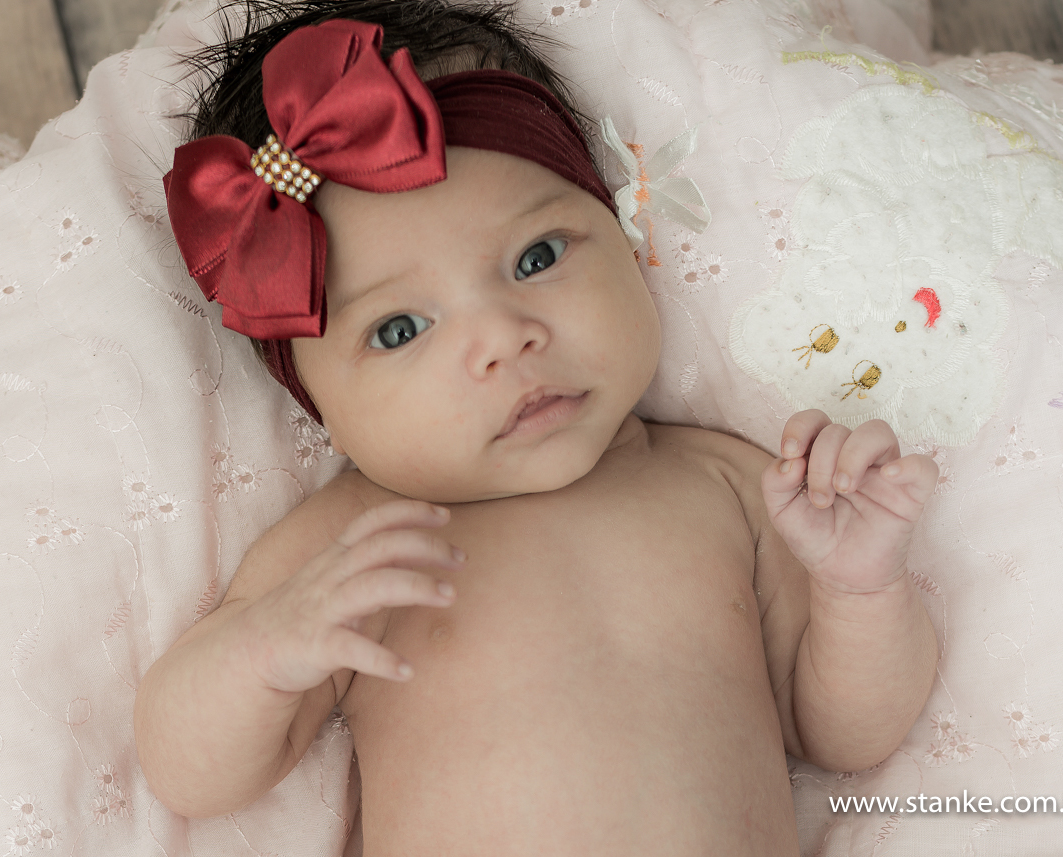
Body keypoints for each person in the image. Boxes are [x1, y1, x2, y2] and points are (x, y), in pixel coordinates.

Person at [134, 1, 940, 852]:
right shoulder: (351, 548)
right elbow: (191, 773)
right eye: (401, 329)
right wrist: (264, 653)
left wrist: (858, 591)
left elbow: (845, 735)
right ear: (319, 407)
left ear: (622, 234)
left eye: (538, 257)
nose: (503, 340)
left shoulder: (731, 487)